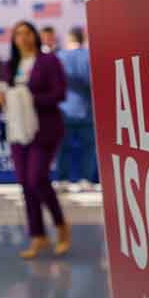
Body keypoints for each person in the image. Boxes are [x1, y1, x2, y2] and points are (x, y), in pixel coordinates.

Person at [4, 20, 70, 259]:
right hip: (18, 131)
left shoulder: (48, 61)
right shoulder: (10, 65)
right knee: (25, 183)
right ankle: (37, 235)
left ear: (35, 35)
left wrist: (30, 98)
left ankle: (61, 225)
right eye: (18, 33)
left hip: (44, 129)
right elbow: (3, 93)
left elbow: (60, 92)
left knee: (36, 178)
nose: (23, 37)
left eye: (27, 32)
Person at [56, 26, 97, 188]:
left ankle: (63, 180)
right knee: (88, 148)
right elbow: (92, 82)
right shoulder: (89, 56)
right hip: (86, 109)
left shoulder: (60, 56)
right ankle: (86, 180)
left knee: (63, 148)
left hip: (64, 110)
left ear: (69, 39)